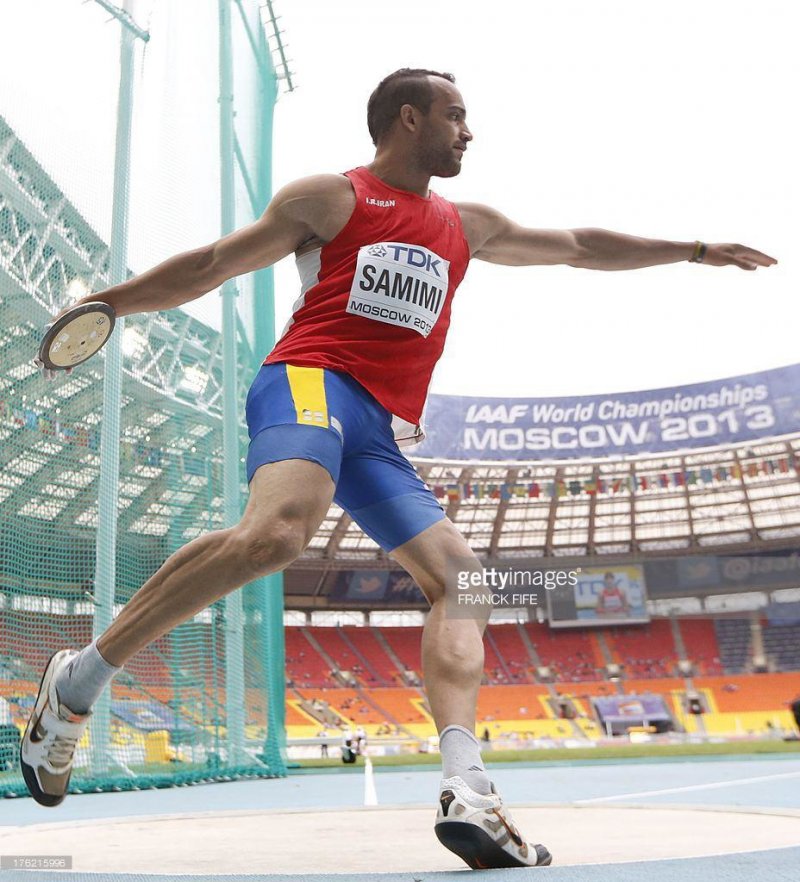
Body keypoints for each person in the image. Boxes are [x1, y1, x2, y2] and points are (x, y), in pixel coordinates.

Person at [21, 67, 775, 870]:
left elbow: (581, 247)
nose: (469, 130)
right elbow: (211, 264)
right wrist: (109, 303)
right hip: (308, 381)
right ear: (408, 119)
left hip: (376, 426)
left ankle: (469, 789)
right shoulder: (330, 199)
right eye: (456, 115)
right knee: (278, 533)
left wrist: (693, 250)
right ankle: (79, 680)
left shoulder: (469, 224)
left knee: (468, 581)